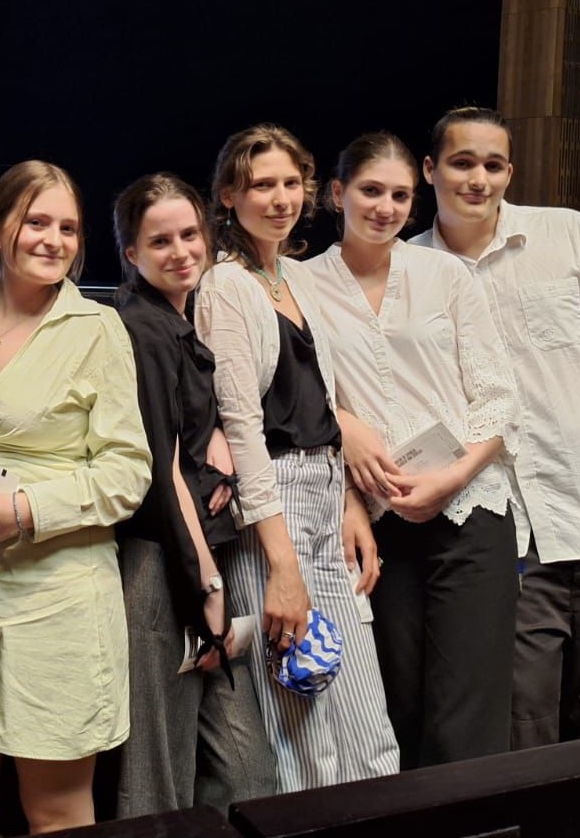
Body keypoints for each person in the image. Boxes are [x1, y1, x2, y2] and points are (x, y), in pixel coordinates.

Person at [411, 105, 580, 747]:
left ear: (510, 172)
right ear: (430, 169)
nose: (478, 179)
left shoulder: (569, 235)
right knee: (524, 731)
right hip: (501, 539)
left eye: (493, 165)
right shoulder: (409, 268)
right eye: (462, 162)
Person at [0, 160, 152, 836]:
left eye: (68, 227)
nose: (54, 239)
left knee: (55, 815)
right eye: (37, 221)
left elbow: (127, 472)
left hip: (56, 601)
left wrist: (24, 510)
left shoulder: (96, 328)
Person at [304, 132, 519, 767]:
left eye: (400, 196)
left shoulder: (445, 274)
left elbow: (498, 397)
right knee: (395, 707)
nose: (386, 207)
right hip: (379, 520)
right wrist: (342, 424)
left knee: (466, 715)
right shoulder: (302, 285)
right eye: (371, 190)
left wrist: (453, 478)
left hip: (470, 508)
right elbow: (293, 397)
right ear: (338, 193)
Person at [195, 124, 399, 792]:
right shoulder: (224, 285)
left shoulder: (296, 276)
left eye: (290, 182)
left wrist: (349, 504)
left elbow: (325, 406)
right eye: (261, 184)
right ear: (229, 195)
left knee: (367, 721)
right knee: (303, 725)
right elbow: (241, 426)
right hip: (270, 508)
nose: (280, 198)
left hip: (323, 489)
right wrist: (281, 565)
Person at [111, 172, 276, 816]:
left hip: (195, 558)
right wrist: (207, 587)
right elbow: (162, 470)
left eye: (189, 235)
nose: (181, 251)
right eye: (160, 241)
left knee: (246, 773)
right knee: (157, 777)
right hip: (162, 568)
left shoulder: (180, 322)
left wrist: (216, 440)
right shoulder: (143, 330)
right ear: (131, 253)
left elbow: (185, 441)